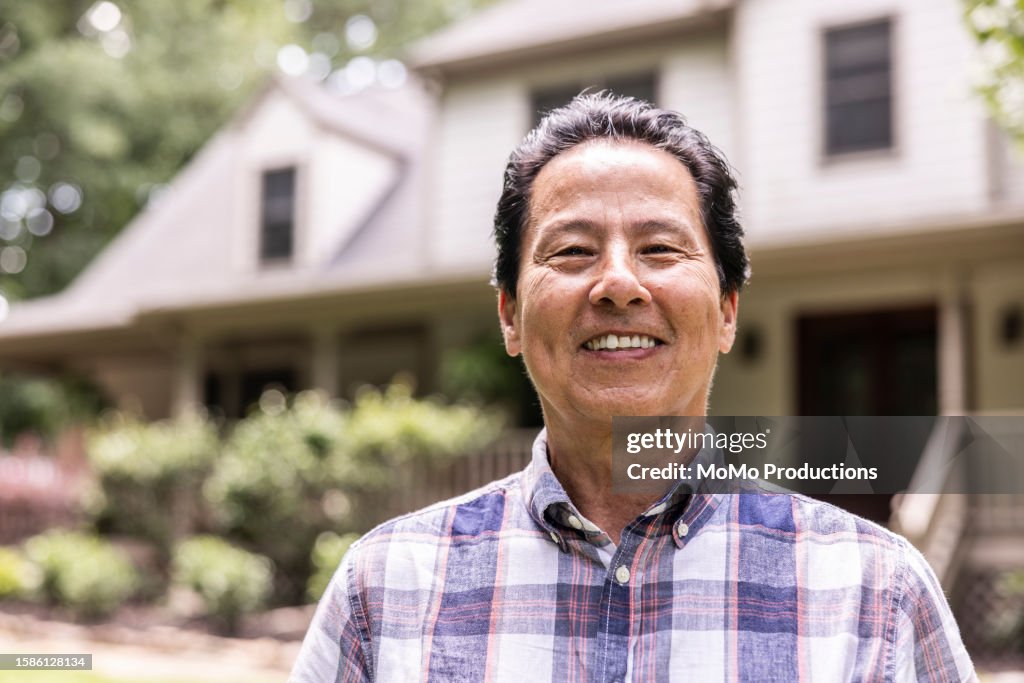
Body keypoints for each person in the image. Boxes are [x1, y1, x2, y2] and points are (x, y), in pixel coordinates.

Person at [290, 94, 976, 682]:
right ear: (510, 315)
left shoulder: (874, 591)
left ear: (728, 310)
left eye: (660, 248)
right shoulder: (384, 588)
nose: (619, 283)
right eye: (572, 251)